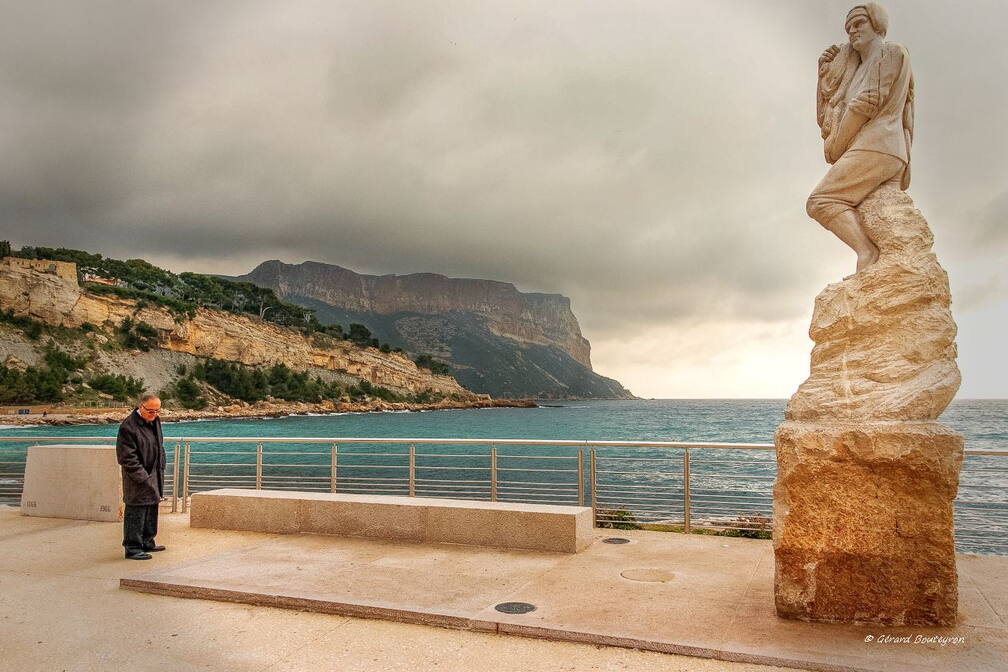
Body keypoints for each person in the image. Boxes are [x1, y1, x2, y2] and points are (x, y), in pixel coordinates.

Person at [806, 3, 914, 273]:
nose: (852, 31)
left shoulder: (891, 52)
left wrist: (836, 145)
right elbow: (834, 101)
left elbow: (866, 104)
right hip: (877, 147)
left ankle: (867, 252)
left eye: (859, 23)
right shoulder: (858, 68)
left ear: (877, 24)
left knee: (821, 201)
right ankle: (882, 259)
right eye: (848, 27)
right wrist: (825, 70)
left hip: (879, 146)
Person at [115, 393, 167, 560]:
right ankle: (132, 548)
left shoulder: (155, 421)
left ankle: (147, 542)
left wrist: (161, 464)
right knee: (136, 512)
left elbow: (159, 444)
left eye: (157, 411)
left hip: (154, 472)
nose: (154, 415)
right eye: (150, 411)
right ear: (140, 407)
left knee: (152, 508)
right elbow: (126, 457)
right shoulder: (128, 427)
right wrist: (142, 476)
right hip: (137, 477)